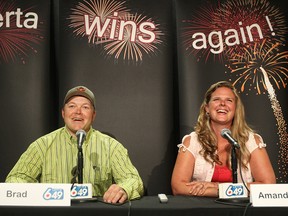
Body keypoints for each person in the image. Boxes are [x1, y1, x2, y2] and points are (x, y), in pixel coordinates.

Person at [6, 85, 144, 203]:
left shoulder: (111, 146)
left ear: (93, 115)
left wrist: (123, 189)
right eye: (72, 106)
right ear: (63, 113)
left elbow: (133, 180)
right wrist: (35, 192)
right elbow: (15, 179)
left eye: (85, 107)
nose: (78, 112)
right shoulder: (42, 145)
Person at [171, 81, 276, 197]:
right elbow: (178, 187)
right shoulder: (193, 141)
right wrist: (224, 191)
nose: (222, 104)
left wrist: (220, 189)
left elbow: (268, 184)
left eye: (229, 100)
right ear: (207, 108)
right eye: (216, 99)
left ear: (236, 109)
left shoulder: (251, 141)